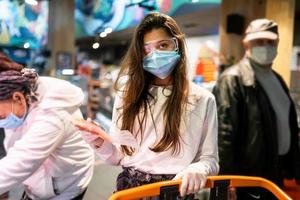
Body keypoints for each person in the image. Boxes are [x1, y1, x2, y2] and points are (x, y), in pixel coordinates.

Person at [75, 12, 219, 198]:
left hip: (176, 191)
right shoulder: (128, 93)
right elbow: (119, 155)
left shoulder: (202, 99)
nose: (156, 54)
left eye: (163, 45)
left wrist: (199, 168)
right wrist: (97, 140)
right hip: (131, 191)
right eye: (147, 49)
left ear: (178, 45)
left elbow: (210, 159)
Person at [213, 18, 300, 199]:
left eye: (270, 42)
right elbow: (223, 134)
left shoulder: (277, 79)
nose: (265, 46)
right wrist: (227, 179)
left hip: (275, 171)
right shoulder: (232, 79)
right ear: (246, 44)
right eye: (259, 41)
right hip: (248, 177)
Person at [0, 53, 94, 200]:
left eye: (0, 117)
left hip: (64, 184)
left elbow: (21, 161)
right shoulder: (19, 96)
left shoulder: (52, 112)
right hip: (40, 179)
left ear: (17, 98)